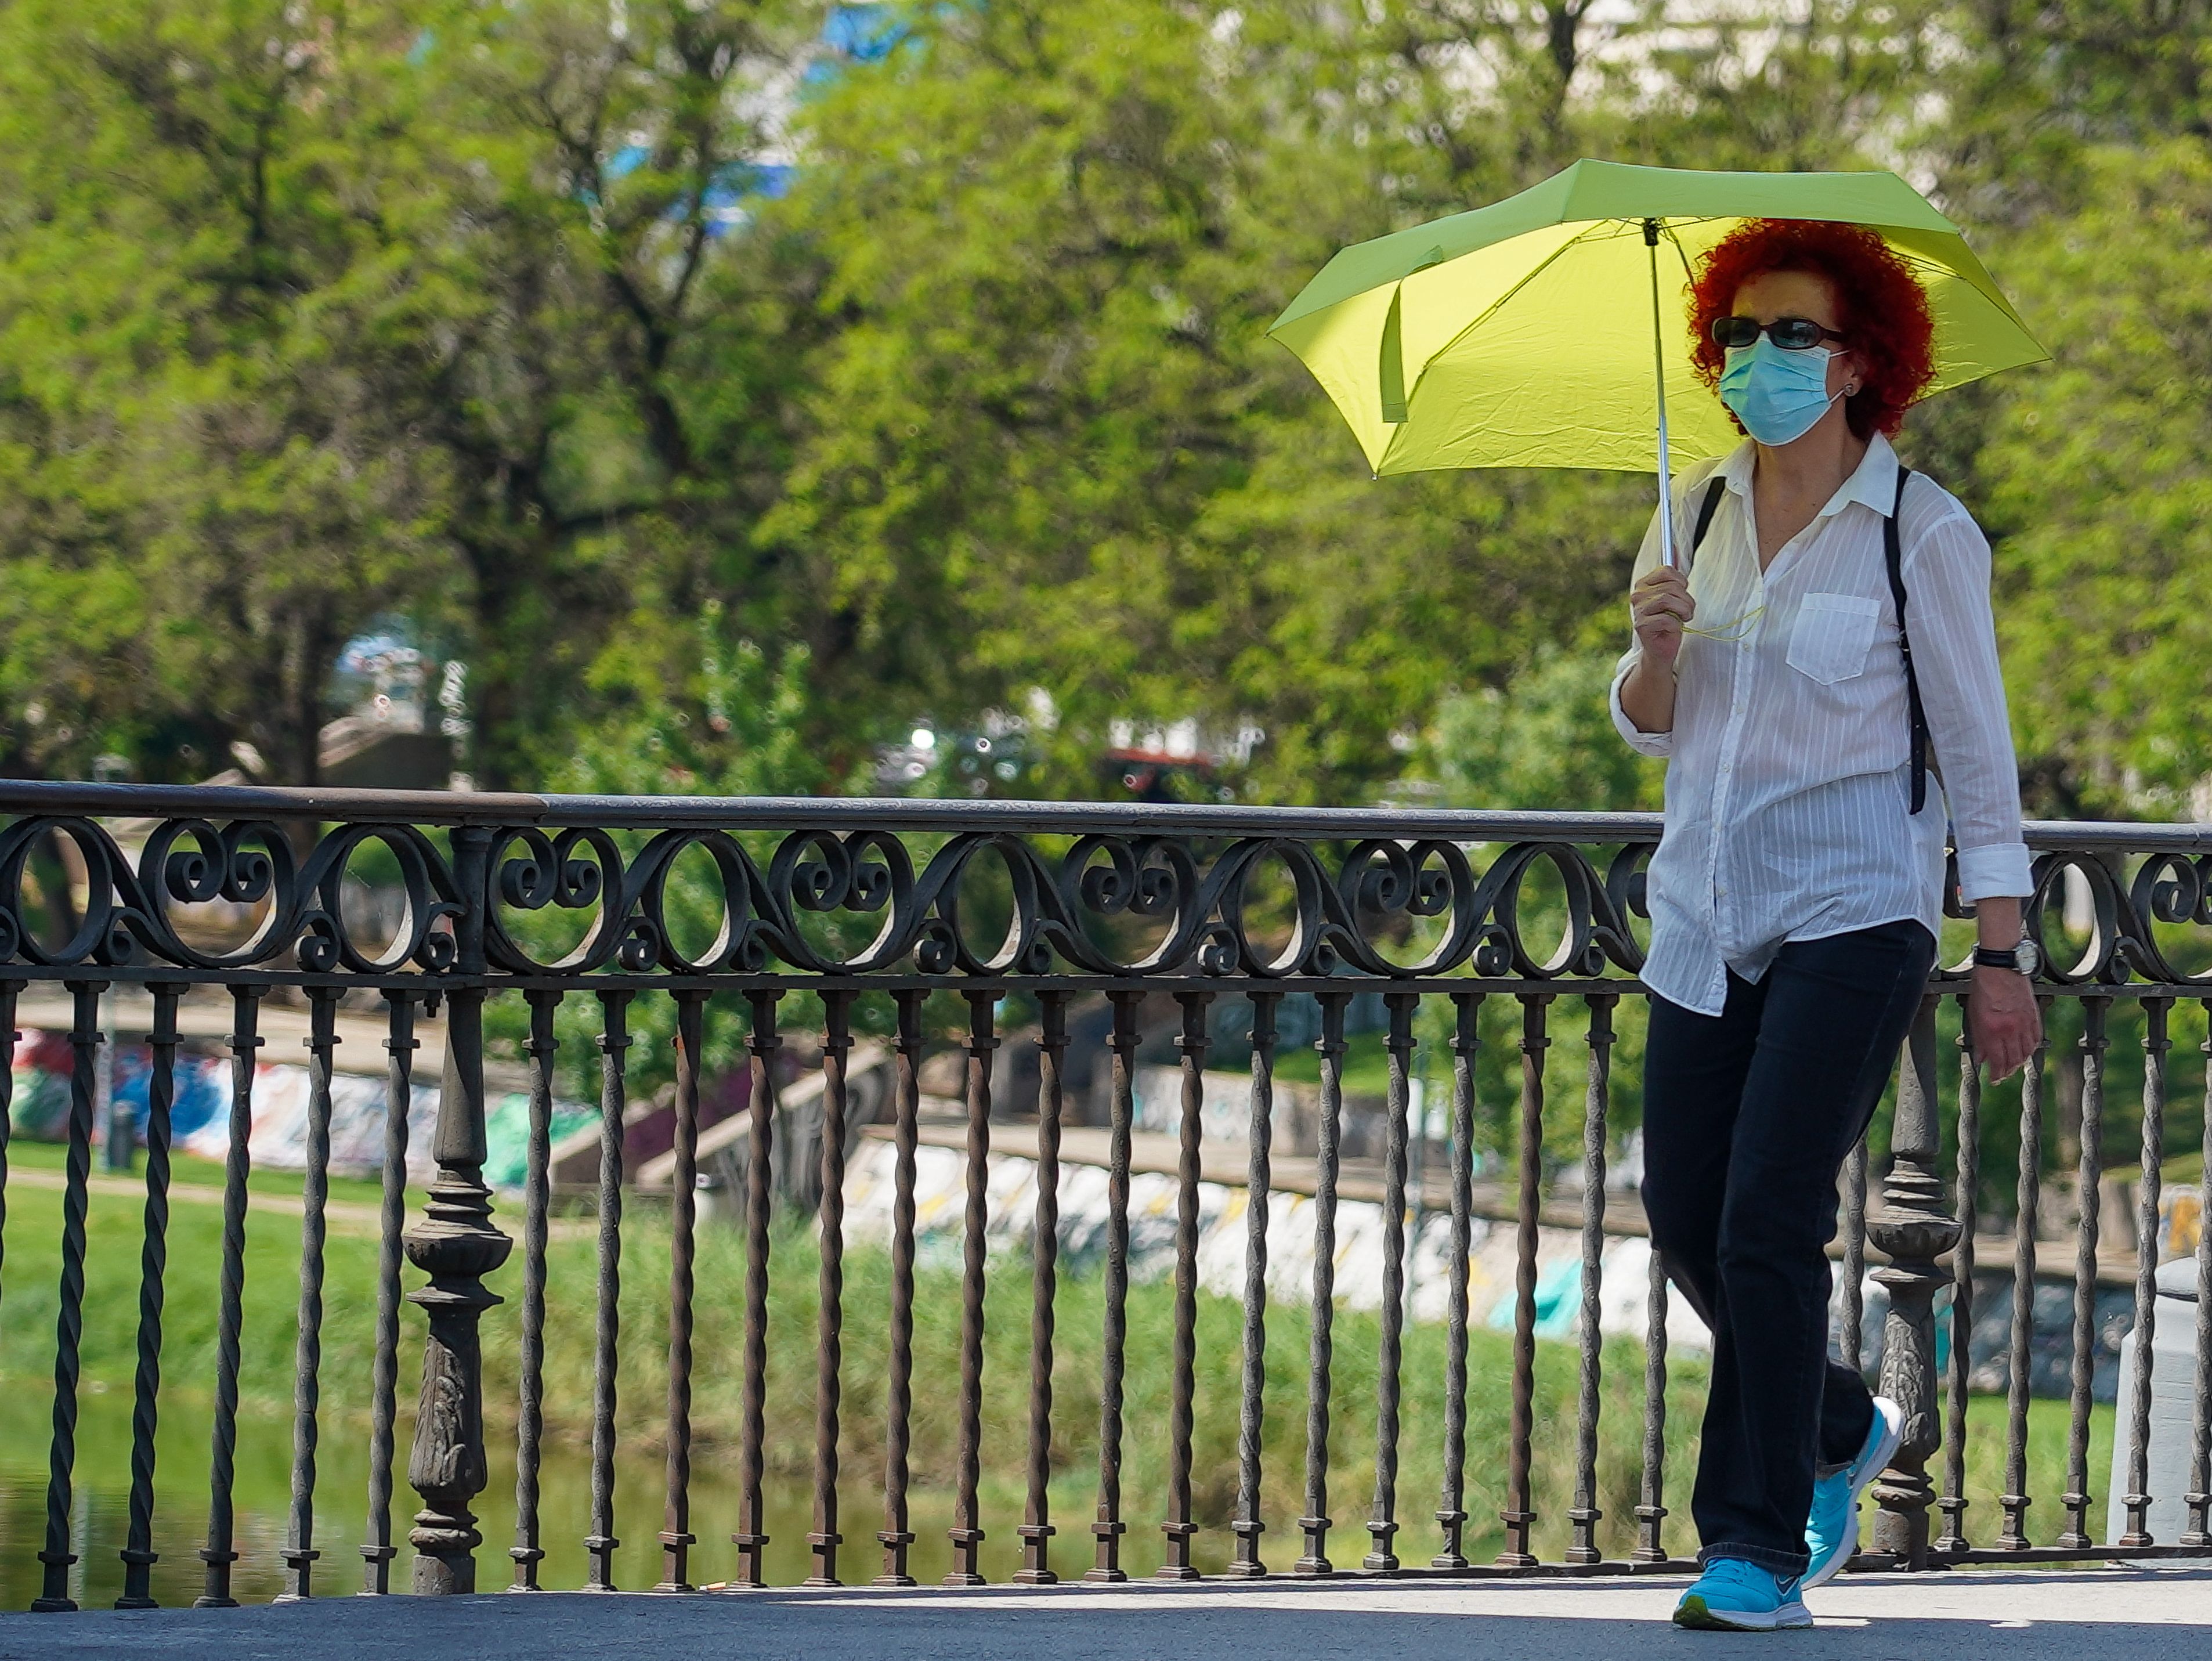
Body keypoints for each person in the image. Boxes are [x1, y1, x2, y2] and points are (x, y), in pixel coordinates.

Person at [1610, 218, 2042, 1631]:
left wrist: (1998, 952)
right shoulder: (1695, 512)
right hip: (1702, 911)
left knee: (1766, 1222)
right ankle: (1847, 1422)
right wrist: (1651, 652)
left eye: (1792, 334)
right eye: (1738, 333)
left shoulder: (1920, 527)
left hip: (1854, 910)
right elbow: (1652, 733)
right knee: (1683, 1219)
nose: (1759, 359)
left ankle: (1751, 1551)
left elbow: (1977, 757)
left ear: (1859, 361)